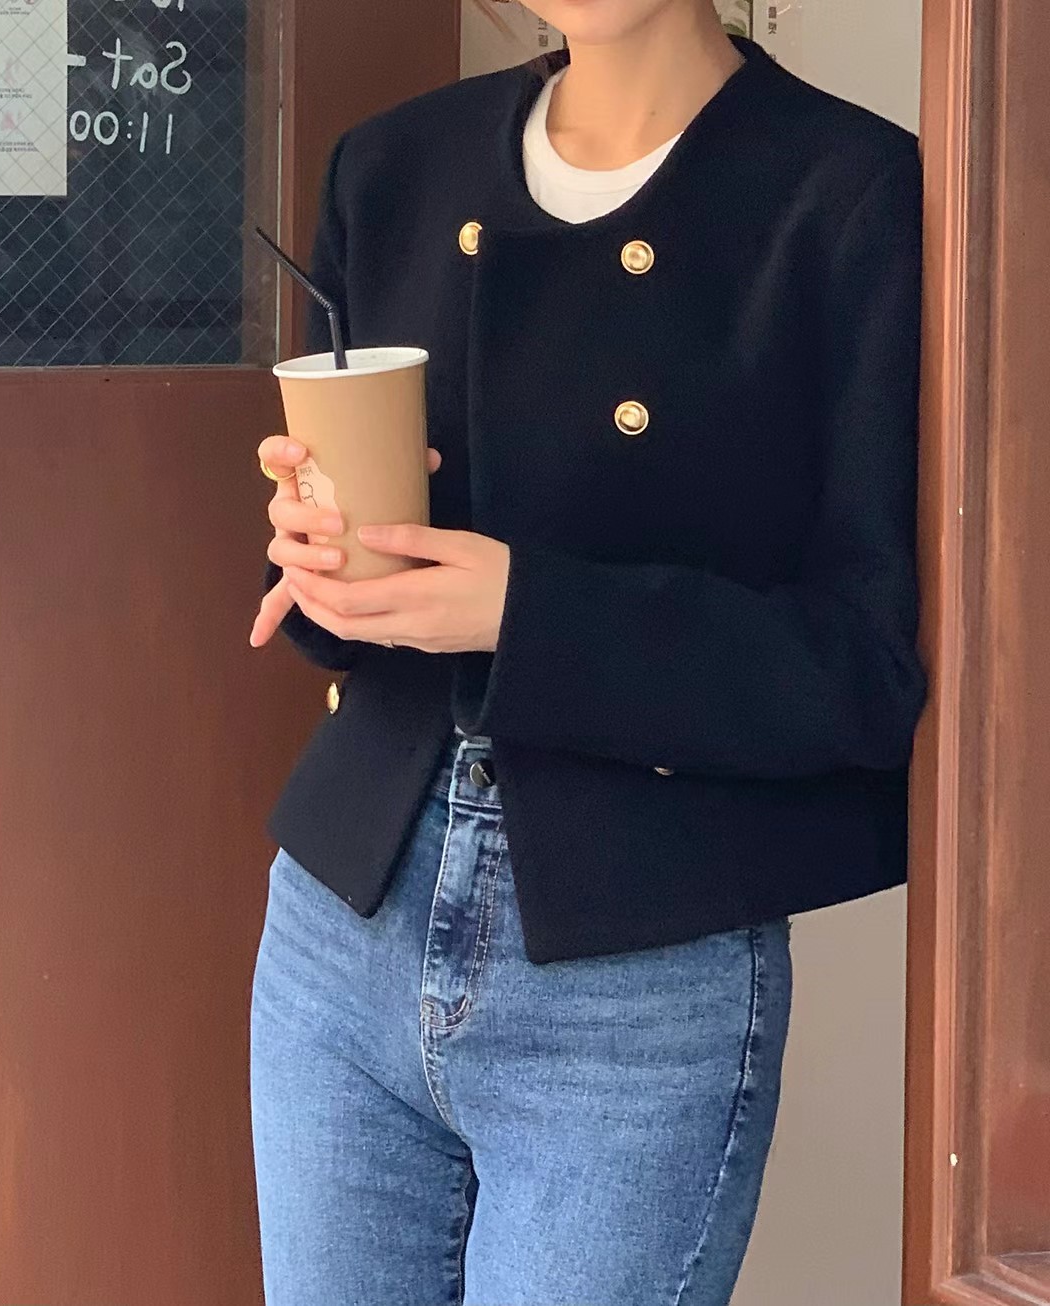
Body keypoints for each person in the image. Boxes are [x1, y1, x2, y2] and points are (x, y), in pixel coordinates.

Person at [247, 2, 927, 1303]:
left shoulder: (847, 191)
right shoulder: (393, 165)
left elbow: (867, 666)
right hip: (345, 927)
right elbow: (350, 618)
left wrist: (530, 615)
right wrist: (319, 558)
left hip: (631, 978)